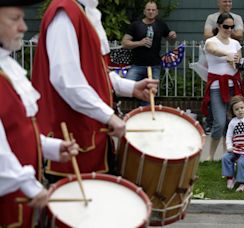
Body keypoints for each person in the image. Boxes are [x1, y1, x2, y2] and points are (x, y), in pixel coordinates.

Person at [31, 0, 159, 181]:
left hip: (92, 136)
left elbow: (95, 72)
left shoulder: (85, 10)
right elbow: (67, 80)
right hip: (72, 139)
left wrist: (130, 87)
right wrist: (110, 116)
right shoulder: (65, 12)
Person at [0, 0, 79, 226]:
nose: (24, 27)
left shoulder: (6, 68)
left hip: (19, 202)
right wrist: (30, 186)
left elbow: (16, 132)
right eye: (15, 19)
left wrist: (51, 147)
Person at [201, 12, 244, 161]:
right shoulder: (210, 41)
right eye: (226, 26)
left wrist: (237, 62)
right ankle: (210, 155)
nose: (229, 29)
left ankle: (228, 155)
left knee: (231, 121)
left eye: (232, 27)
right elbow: (213, 50)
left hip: (233, 85)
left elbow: (238, 63)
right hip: (217, 86)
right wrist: (228, 55)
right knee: (219, 122)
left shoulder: (236, 44)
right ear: (219, 26)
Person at [121, 1, 176, 97]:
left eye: (153, 10)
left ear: (157, 12)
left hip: (154, 65)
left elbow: (171, 42)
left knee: (151, 93)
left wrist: (173, 36)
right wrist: (139, 43)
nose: (151, 12)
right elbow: (124, 43)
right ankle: (132, 109)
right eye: (148, 9)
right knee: (126, 87)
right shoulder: (136, 25)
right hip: (137, 65)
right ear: (144, 12)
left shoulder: (161, 25)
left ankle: (146, 109)